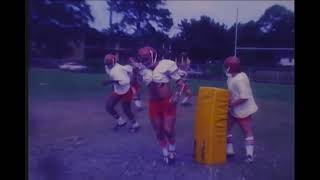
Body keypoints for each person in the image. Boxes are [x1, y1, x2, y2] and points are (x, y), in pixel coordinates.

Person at [132, 46, 186, 165]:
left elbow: (181, 84)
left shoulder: (166, 64)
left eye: (145, 58)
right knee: (159, 131)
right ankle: (165, 153)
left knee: (168, 130)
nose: (143, 61)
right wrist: (134, 74)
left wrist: (177, 95)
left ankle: (172, 150)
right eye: (142, 58)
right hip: (154, 103)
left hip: (167, 102)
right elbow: (135, 84)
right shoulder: (141, 69)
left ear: (153, 56)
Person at [223, 56, 258, 163]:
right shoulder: (231, 77)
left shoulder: (240, 79)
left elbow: (244, 97)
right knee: (225, 128)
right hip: (234, 109)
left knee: (247, 131)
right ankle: (229, 151)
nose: (225, 68)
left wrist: (231, 104)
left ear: (230, 67)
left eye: (226, 66)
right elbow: (232, 92)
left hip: (244, 111)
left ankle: (249, 155)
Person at [102, 53, 140, 132]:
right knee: (109, 106)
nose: (107, 65)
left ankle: (135, 124)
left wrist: (109, 82)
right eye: (106, 63)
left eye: (108, 63)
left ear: (113, 62)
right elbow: (130, 68)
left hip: (126, 89)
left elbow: (125, 82)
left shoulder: (117, 70)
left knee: (126, 109)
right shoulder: (108, 67)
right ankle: (121, 121)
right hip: (118, 90)